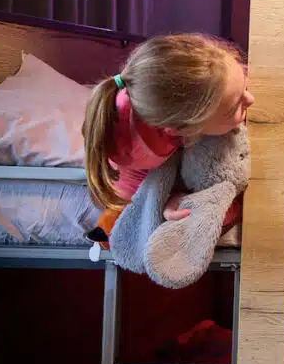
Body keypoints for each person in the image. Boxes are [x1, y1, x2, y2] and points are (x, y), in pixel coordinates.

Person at [82, 33, 255, 225]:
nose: (250, 100)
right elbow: (135, 197)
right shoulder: (136, 151)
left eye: (244, 87)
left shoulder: (211, 66)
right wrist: (165, 202)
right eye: (233, 108)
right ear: (184, 129)